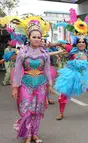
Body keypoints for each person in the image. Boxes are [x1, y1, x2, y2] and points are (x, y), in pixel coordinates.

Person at [52, 10, 88, 120]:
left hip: (84, 75)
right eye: (79, 41)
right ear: (76, 43)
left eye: (83, 41)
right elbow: (60, 43)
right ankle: (61, 112)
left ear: (86, 43)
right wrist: (51, 44)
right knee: (64, 94)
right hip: (71, 75)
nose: (81, 43)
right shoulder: (72, 50)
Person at [4, 15, 53, 143]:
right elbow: (18, 70)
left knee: (37, 110)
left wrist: (50, 85)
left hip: (41, 84)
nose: (37, 39)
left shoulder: (44, 53)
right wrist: (15, 87)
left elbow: (47, 70)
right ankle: (27, 134)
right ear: (29, 38)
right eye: (34, 37)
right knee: (26, 110)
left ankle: (34, 133)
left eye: (39, 37)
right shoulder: (23, 52)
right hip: (26, 84)